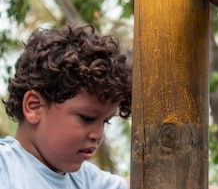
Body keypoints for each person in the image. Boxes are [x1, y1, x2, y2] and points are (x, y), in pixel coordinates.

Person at [0, 24, 132, 188]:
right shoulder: (5, 169)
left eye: (105, 122)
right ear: (34, 107)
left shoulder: (85, 180)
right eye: (87, 118)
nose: (98, 135)